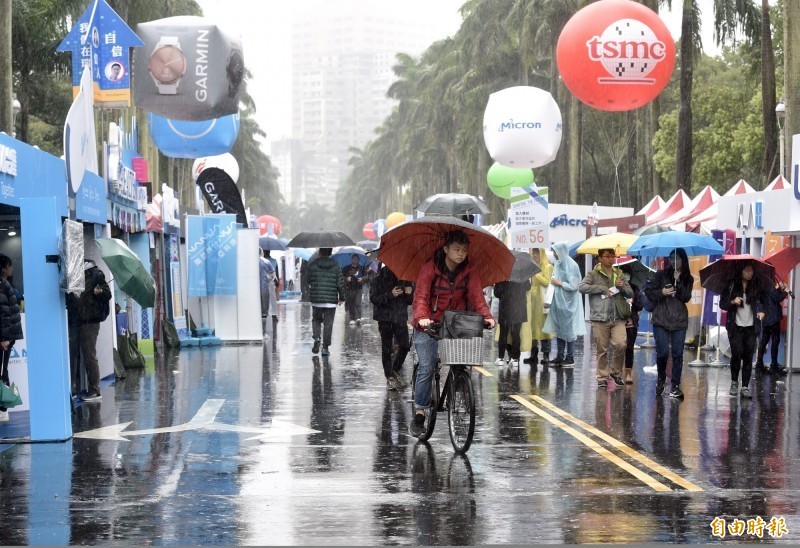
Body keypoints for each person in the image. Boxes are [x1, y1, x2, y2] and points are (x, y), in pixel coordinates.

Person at [409, 230, 495, 437]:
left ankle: (457, 388)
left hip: (455, 323)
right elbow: (421, 296)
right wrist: (422, 317)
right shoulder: (429, 269)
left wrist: (487, 316)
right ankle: (420, 412)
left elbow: (476, 297)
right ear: (446, 249)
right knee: (427, 366)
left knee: (461, 363)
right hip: (427, 324)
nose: (461, 254)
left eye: (464, 250)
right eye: (456, 249)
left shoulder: (470, 271)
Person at [579, 248, 632, 388]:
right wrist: (601, 288)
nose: (610, 259)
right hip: (599, 317)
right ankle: (602, 377)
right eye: (607, 256)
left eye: (612, 256)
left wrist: (622, 287)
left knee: (621, 344)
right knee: (602, 349)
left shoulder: (619, 273)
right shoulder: (593, 274)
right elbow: (582, 287)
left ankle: (615, 372)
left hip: (617, 317)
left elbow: (630, 292)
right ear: (600, 258)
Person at [644, 249, 693, 399]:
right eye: (672, 259)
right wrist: (662, 293)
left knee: (678, 354)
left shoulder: (688, 278)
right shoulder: (661, 275)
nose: (674, 262)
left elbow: (686, 297)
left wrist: (678, 286)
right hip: (661, 319)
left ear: (683, 260)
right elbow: (648, 292)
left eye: (677, 259)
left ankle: (675, 386)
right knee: (663, 352)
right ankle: (661, 378)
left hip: (679, 320)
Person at [719, 263, 765, 399]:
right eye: (747, 270)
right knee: (736, 354)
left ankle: (745, 386)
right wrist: (733, 301)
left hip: (751, 326)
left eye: (752, 270)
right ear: (741, 271)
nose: (750, 273)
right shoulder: (731, 285)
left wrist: (762, 311)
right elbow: (722, 304)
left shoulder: (756, 286)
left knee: (748, 357)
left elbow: (763, 302)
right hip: (735, 326)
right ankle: (734, 382)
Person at [370, 263, 413, 390]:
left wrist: (409, 293)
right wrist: (390, 294)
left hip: (400, 317)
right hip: (385, 318)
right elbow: (374, 298)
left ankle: (394, 371)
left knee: (405, 346)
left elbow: (409, 301)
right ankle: (389, 377)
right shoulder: (378, 278)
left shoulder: (405, 278)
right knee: (387, 348)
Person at [543, 242, 585, 370]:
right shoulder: (559, 263)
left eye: (555, 251)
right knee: (560, 329)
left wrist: (559, 283)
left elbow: (574, 285)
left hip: (569, 303)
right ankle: (560, 356)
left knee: (570, 331)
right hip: (559, 302)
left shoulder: (572, 265)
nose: (554, 254)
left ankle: (570, 357)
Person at [79, 260, 112, 402]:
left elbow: (107, 294)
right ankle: (92, 388)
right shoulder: (83, 276)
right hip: (82, 320)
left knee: (90, 355)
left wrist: (99, 292)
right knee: (87, 355)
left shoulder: (96, 275)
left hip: (91, 321)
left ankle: (94, 390)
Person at [308, 248, 345, 357]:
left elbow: (308, 279)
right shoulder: (335, 265)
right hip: (330, 301)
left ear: (320, 252)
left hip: (317, 300)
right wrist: (342, 297)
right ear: (330, 252)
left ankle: (317, 338)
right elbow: (340, 282)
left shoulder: (313, 265)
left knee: (316, 320)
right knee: (328, 324)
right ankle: (325, 348)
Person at [0, 256, 22, 422]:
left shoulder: (4, 284)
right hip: (5, 337)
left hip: (5, 338)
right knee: (3, 371)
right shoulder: (3, 285)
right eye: (9, 266)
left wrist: (4, 337)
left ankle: (3, 408)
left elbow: (4, 312)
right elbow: (4, 312)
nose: (11, 269)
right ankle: (3, 408)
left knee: (2, 371)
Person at [524, 248, 553, 366]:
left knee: (544, 329)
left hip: (542, 302)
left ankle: (546, 355)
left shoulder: (548, 267)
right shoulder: (531, 266)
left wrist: (536, 274)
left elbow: (547, 282)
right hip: (532, 302)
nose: (535, 255)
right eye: (533, 253)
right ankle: (533, 354)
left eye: (537, 253)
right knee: (532, 329)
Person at [493, 279, 531, 367]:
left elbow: (497, 293)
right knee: (516, 333)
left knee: (503, 333)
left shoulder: (503, 274)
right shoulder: (522, 273)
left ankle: (501, 358)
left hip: (506, 307)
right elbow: (528, 287)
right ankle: (515, 359)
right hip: (518, 307)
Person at [755, 280, 788, 375]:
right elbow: (777, 298)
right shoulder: (770, 284)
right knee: (775, 341)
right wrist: (785, 291)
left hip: (766, 318)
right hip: (773, 318)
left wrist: (779, 289)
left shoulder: (761, 284)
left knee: (764, 341)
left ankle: (759, 365)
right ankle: (774, 366)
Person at [618, 265, 644, 385]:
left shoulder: (635, 289)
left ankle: (628, 373)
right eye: (624, 274)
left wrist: (632, 303)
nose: (626, 277)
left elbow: (640, 305)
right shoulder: (615, 288)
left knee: (629, 348)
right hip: (617, 321)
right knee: (618, 347)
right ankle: (616, 372)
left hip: (631, 322)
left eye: (628, 274)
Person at [342, 254, 365, 325]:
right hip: (349, 288)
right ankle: (352, 318)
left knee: (358, 303)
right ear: (351, 259)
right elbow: (341, 277)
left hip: (358, 288)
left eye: (356, 259)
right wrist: (346, 279)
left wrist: (362, 279)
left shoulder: (361, 268)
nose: (355, 260)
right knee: (351, 303)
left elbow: (367, 276)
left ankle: (358, 317)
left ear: (358, 260)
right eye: (354, 258)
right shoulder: (346, 268)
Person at [259, 248, 279, 333]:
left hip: (253, 290)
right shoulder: (267, 261)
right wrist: (268, 280)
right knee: (265, 309)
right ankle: (263, 331)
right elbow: (273, 273)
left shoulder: (250, 262)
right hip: (265, 287)